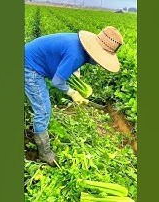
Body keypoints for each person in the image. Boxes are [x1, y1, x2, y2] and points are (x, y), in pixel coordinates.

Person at [24, 26, 123, 166]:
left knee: (42, 106)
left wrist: (75, 73)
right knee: (43, 110)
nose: (99, 63)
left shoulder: (78, 46)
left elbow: (66, 57)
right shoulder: (76, 55)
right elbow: (57, 81)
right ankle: (45, 154)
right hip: (29, 67)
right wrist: (73, 93)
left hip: (32, 58)